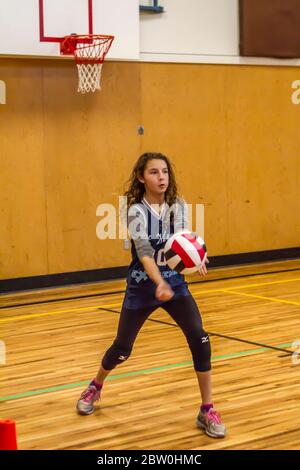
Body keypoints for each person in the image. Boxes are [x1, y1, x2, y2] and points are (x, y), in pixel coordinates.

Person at [76, 152, 226, 438]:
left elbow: (183, 240)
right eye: (154, 172)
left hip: (175, 286)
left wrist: (198, 258)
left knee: (200, 338)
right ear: (141, 178)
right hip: (143, 287)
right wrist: (159, 283)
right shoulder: (135, 210)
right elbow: (144, 252)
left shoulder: (177, 205)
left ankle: (207, 409)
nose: (162, 178)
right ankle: (96, 386)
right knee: (121, 349)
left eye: (165, 172)